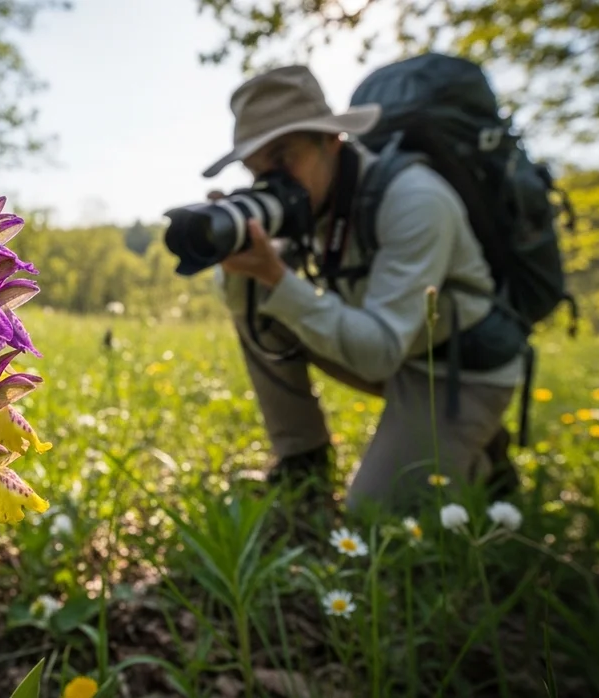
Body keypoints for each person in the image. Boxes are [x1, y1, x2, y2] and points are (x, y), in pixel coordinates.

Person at [202, 64, 523, 512]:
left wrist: (276, 276)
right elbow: (249, 310)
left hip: (456, 368)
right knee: (263, 311)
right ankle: (303, 461)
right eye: (256, 170)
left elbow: (380, 352)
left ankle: (483, 460)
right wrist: (238, 257)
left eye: (282, 158)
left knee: (372, 516)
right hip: (393, 350)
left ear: (331, 140)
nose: (271, 181)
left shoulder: (414, 199)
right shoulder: (308, 203)